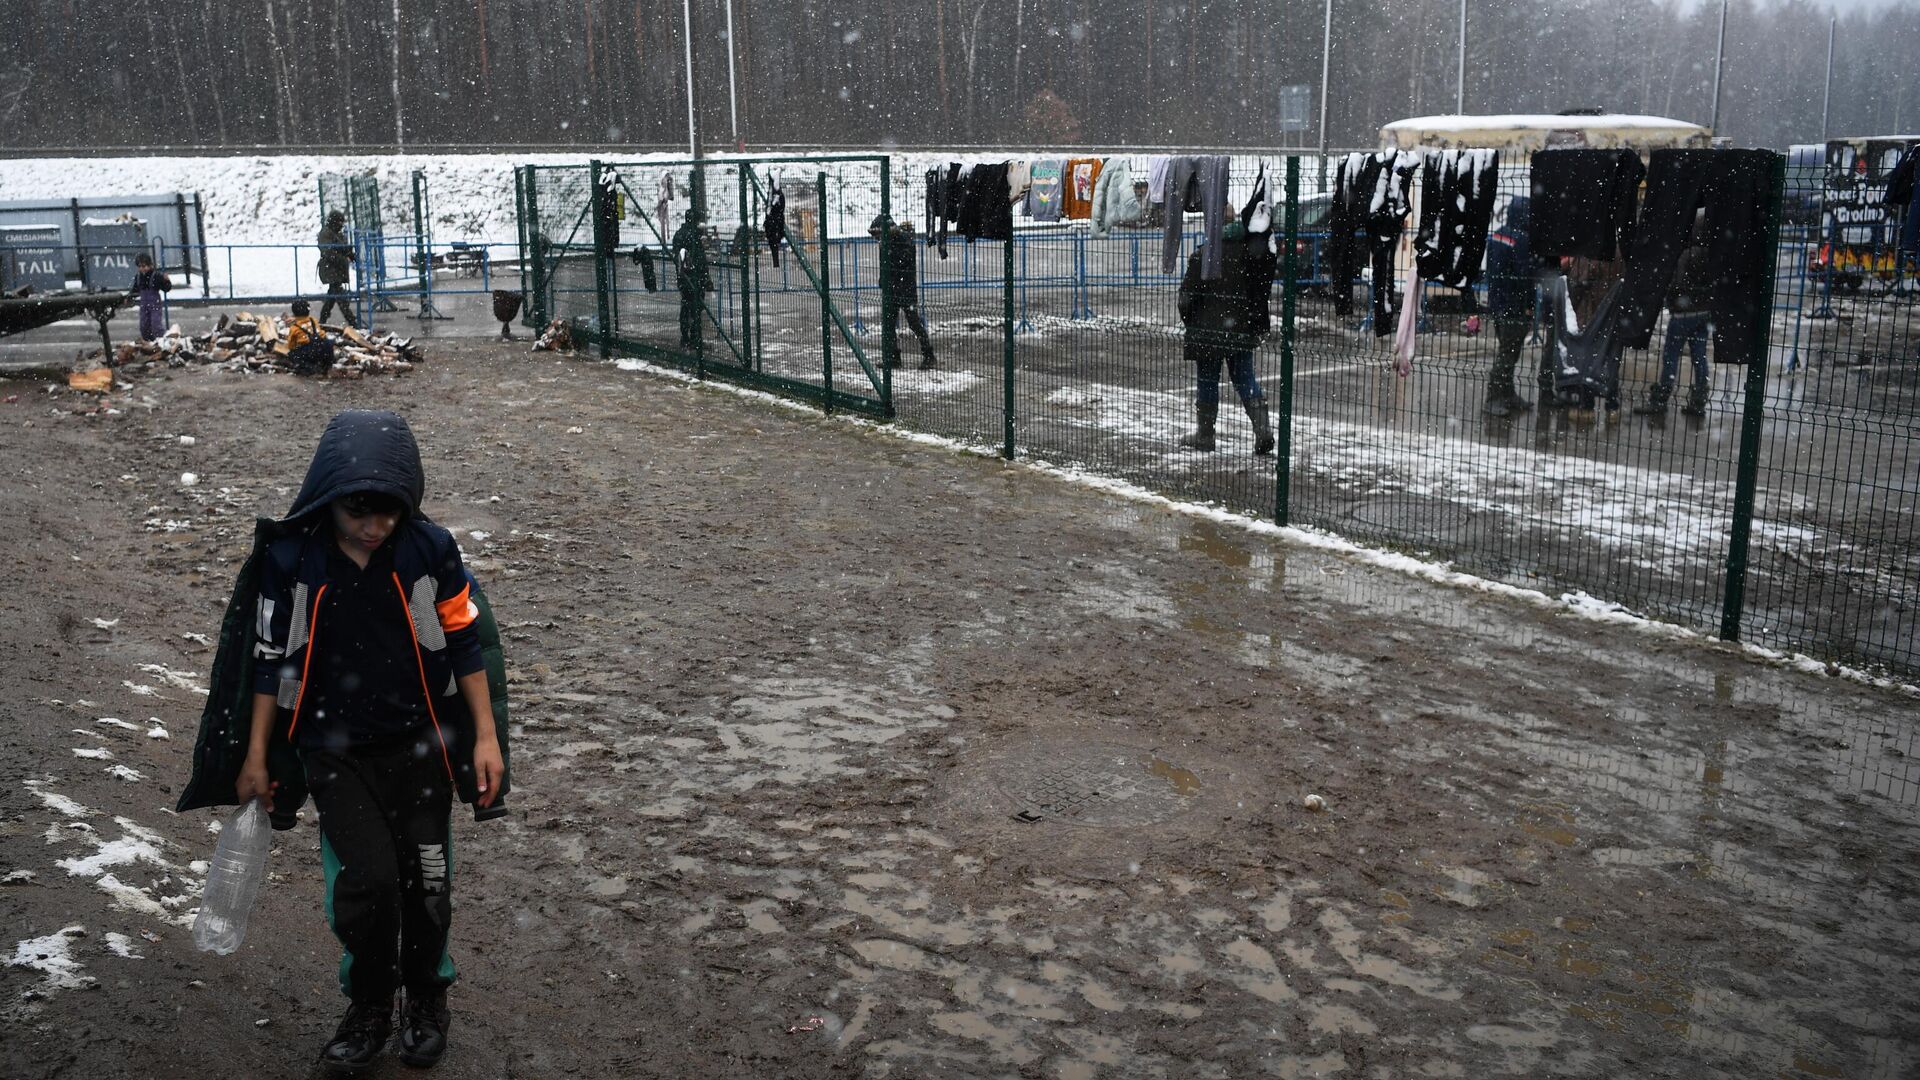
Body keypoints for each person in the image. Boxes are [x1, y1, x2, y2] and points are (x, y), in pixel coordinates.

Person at [223, 410, 508, 1072]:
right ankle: (371, 1004)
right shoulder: (293, 558)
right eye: (360, 510)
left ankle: (427, 999)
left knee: (427, 886)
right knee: (370, 883)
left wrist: (486, 739)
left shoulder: (428, 549)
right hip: (335, 752)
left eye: (389, 511)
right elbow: (267, 661)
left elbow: (466, 641)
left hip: (422, 750)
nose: (375, 526)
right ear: (328, 495)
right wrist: (258, 754)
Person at [1176, 222, 1275, 455]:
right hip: (1240, 329)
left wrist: (1193, 323)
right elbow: (1259, 294)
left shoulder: (1204, 254)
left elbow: (1186, 298)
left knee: (1207, 380)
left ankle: (1205, 435)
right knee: (1245, 378)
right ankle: (1263, 431)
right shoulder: (1250, 256)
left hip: (1208, 331)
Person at [1634, 215, 1713, 417]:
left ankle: (1661, 398)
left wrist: (1670, 299)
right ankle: (1699, 400)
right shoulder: (1711, 254)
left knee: (1671, 355)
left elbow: (1676, 284)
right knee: (1699, 356)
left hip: (1683, 313)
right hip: (1704, 311)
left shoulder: (1685, 255)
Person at [1482, 197, 1535, 416]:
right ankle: (1494, 397)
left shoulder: (1497, 235)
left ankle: (1507, 393)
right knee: (1508, 353)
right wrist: (1529, 305)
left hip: (1498, 303)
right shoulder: (1521, 240)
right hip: (1514, 305)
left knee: (1507, 349)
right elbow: (1525, 277)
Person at [869, 215, 935, 370]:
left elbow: (904, 261)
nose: (877, 239)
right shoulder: (886, 242)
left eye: (878, 235)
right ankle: (893, 358)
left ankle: (929, 356)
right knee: (889, 325)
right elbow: (886, 265)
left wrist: (888, 251)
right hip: (892, 289)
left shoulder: (903, 240)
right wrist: (883, 279)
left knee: (914, 323)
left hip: (906, 289)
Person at [670, 208, 710, 350]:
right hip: (694, 278)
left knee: (686, 307)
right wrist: (705, 278)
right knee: (695, 309)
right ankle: (694, 339)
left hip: (684, 277)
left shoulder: (679, 235)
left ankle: (685, 338)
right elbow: (700, 261)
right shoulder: (692, 237)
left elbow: (678, 257)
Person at [317, 210, 358, 328]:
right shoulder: (325, 233)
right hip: (330, 269)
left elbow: (342, 247)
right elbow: (328, 252)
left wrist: (350, 254)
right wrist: (342, 257)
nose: (341, 224)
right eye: (339, 222)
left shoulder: (337, 233)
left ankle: (322, 321)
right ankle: (353, 323)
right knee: (340, 297)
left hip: (337, 269)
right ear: (334, 221)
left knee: (332, 297)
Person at [128, 252, 172, 342]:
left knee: (156, 324)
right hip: (144, 304)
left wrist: (167, 281)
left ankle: (161, 341)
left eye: (144, 266)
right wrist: (129, 297)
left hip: (154, 303)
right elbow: (135, 290)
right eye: (139, 267)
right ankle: (148, 342)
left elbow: (166, 288)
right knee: (144, 326)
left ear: (150, 265)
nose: (142, 269)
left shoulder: (156, 276)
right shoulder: (138, 277)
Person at [284, 299, 334, 375]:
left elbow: (291, 345)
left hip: (309, 352)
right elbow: (322, 334)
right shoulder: (313, 320)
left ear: (294, 313)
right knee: (327, 345)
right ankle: (327, 365)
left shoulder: (294, 327)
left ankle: (310, 368)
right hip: (323, 348)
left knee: (292, 354)